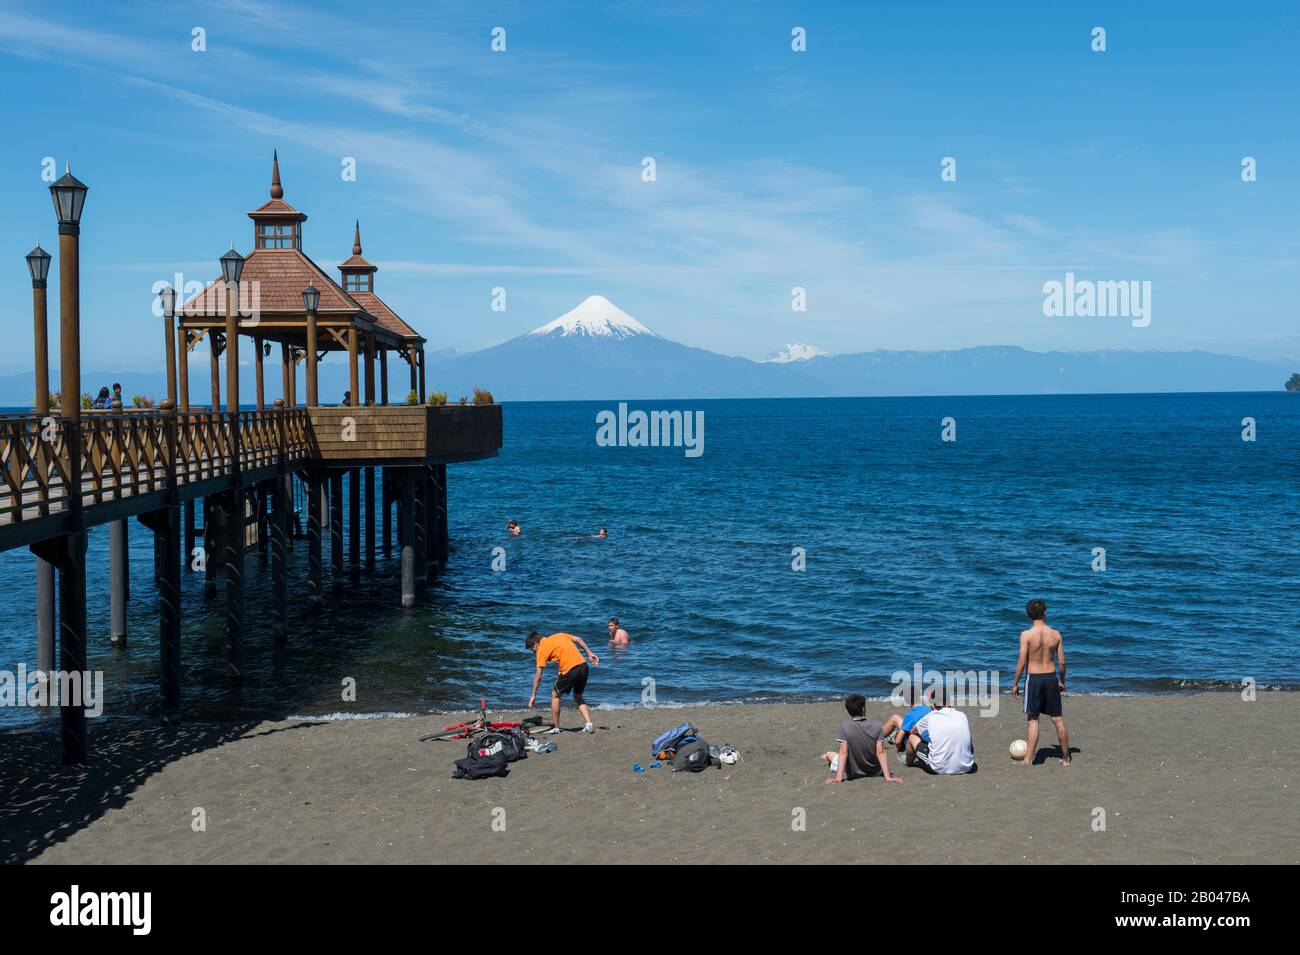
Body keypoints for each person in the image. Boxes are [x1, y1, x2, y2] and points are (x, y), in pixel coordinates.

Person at [1011, 598, 1071, 766]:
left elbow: (1022, 661)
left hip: (1034, 679)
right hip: (1051, 677)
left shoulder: (1026, 635)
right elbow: (1062, 662)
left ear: (1029, 615)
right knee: (1057, 719)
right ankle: (1066, 757)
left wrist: (1015, 683)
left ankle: (1028, 759)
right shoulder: (1056, 634)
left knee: (1033, 720)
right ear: (1045, 613)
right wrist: (1062, 681)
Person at [820, 694, 904, 785]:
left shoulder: (844, 726)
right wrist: (887, 777)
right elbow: (881, 752)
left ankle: (826, 756)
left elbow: (843, 752)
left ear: (848, 711)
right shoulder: (877, 725)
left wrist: (838, 778)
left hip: (852, 773)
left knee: (829, 754)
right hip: (875, 771)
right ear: (863, 709)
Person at [526, 631, 599, 734]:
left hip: (571, 670)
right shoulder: (559, 635)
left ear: (535, 644)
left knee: (555, 695)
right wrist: (589, 653)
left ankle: (556, 728)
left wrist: (533, 696)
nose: (533, 652)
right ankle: (589, 724)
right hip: (583, 666)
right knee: (578, 695)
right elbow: (578, 639)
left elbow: (538, 676)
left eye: (532, 649)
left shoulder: (541, 649)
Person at [906, 687, 976, 775]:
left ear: (933, 704)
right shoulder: (962, 715)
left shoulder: (930, 716)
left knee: (912, 737)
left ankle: (908, 762)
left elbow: (913, 731)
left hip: (938, 768)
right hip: (967, 767)